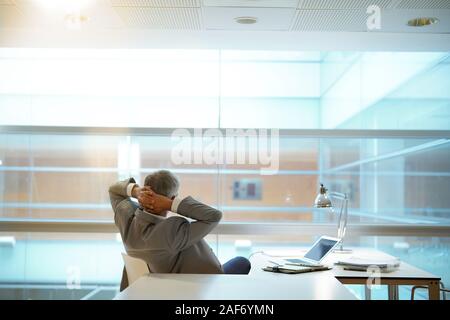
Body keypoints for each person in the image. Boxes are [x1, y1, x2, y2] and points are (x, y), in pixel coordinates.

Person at [109, 170, 251, 290]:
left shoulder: (126, 219)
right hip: (205, 285)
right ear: (172, 198)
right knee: (242, 262)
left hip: (163, 288)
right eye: (174, 198)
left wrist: (136, 191)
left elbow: (113, 190)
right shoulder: (172, 232)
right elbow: (214, 216)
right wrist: (170, 204)